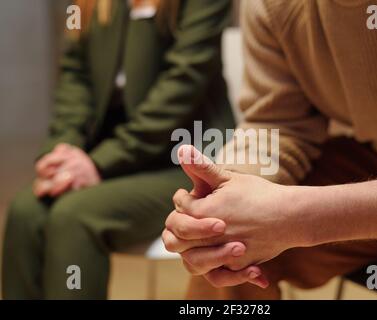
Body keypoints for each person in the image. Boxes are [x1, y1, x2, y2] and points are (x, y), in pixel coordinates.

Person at [162, 0, 377, 299]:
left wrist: (295, 218)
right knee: (225, 249)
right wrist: (229, 194)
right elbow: (278, 121)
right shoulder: (271, 7)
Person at [2, 0, 234, 299]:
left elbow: (183, 83)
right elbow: (76, 77)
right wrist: (63, 150)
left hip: (188, 165)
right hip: (114, 162)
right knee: (25, 212)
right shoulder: (88, 6)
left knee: (75, 216)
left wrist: (98, 164)